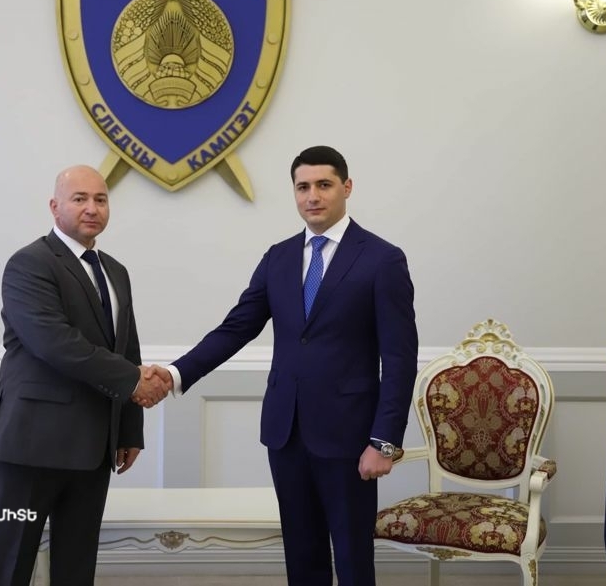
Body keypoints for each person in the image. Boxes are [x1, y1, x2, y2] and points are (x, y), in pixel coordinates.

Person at [153, 145, 419, 586]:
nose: (312, 196)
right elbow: (236, 328)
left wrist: (384, 441)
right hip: (286, 432)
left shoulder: (382, 259)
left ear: (347, 187)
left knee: (353, 558)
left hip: (350, 436)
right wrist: (175, 373)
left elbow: (399, 357)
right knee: (302, 555)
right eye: (303, 187)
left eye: (324, 185)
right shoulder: (278, 257)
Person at [0, 165, 169, 586]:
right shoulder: (29, 263)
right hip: (30, 445)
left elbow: (127, 349)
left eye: (100, 199)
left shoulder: (115, 271)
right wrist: (135, 381)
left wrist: (129, 430)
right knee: (8, 565)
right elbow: (55, 343)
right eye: (79, 199)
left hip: (94, 447)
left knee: (77, 567)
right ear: (55, 206)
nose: (91, 208)